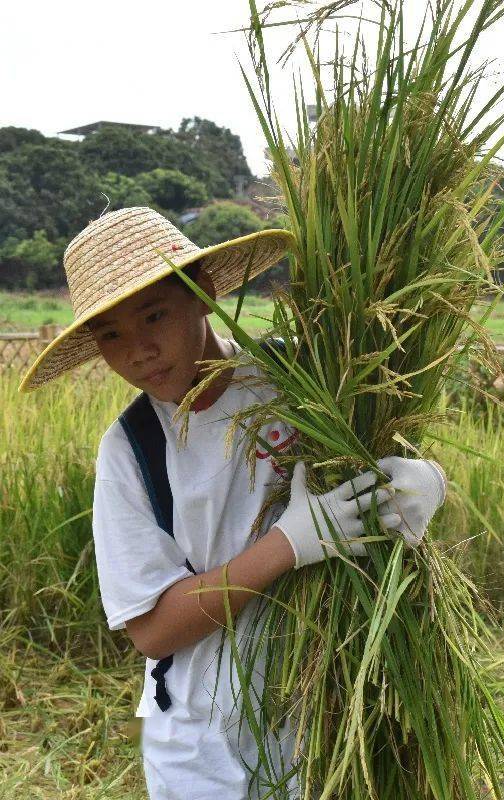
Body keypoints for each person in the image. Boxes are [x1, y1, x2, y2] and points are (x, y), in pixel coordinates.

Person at [19, 206, 447, 800]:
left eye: (154, 315)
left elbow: (387, 454)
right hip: (198, 740)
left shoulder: (299, 377)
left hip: (329, 708)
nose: (139, 350)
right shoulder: (132, 450)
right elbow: (151, 631)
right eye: (110, 334)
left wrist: (425, 482)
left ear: (205, 294)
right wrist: (289, 545)